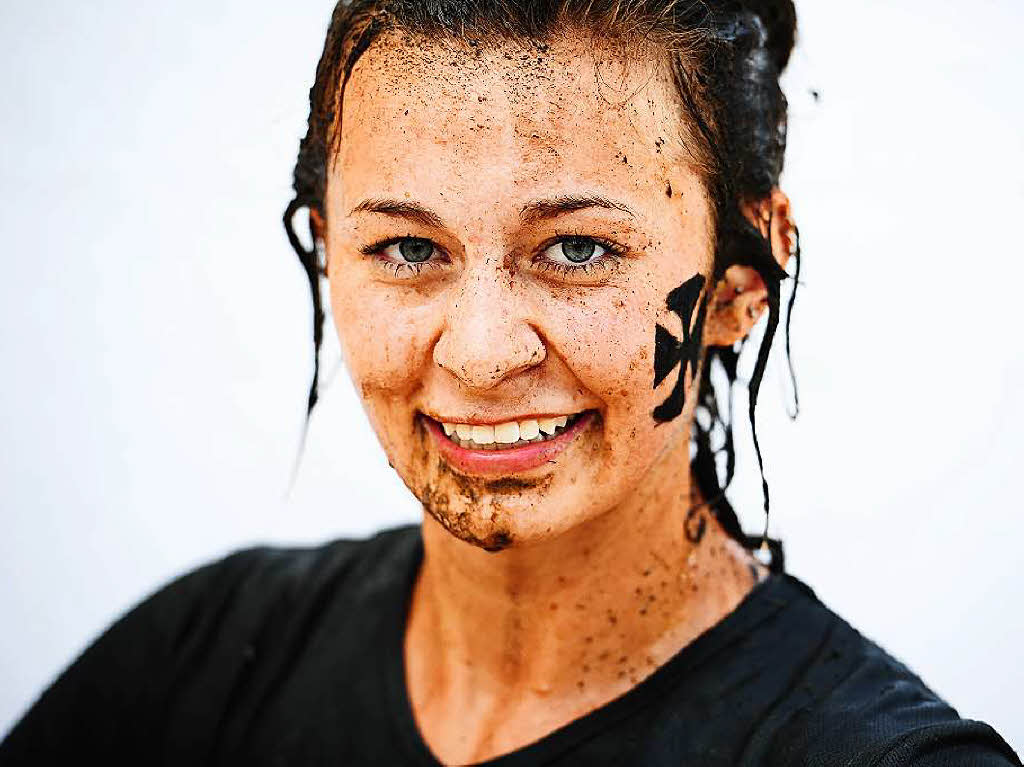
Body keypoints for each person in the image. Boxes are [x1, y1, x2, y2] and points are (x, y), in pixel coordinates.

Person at [2, 0, 1020, 765]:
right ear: (326, 251)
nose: (482, 354)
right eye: (406, 247)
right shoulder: (203, 661)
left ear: (740, 278)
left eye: (576, 247)